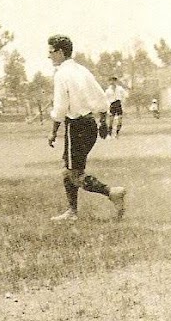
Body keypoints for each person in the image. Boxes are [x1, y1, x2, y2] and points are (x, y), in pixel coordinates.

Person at [46, 35, 126, 222]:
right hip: (90, 124)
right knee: (69, 169)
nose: (48, 56)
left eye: (51, 52)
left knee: (74, 174)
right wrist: (103, 121)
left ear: (60, 52)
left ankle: (112, 192)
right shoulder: (82, 70)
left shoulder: (61, 74)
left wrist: (53, 131)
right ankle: (72, 211)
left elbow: (60, 107)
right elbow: (101, 98)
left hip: (76, 125)